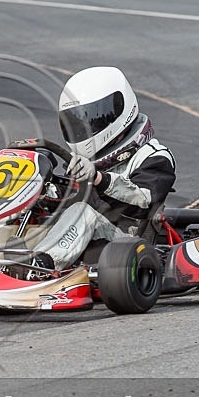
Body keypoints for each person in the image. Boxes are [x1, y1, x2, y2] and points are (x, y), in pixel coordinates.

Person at [29, 66, 176, 275]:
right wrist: (42, 191)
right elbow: (70, 197)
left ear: (118, 109)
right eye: (77, 122)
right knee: (26, 211)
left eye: (93, 118)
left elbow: (143, 203)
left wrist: (99, 179)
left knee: (83, 212)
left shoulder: (154, 156)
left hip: (125, 245)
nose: (85, 128)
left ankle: (39, 268)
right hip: (80, 240)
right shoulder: (82, 162)